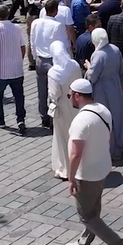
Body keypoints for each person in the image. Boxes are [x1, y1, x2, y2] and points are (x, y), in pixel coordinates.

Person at [64, 78, 123, 245]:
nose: (69, 97)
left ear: (78, 95)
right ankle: (84, 244)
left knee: (87, 216)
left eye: (70, 94)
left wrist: (71, 178)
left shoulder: (80, 120)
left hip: (86, 174)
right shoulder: (103, 110)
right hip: (103, 168)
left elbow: (75, 153)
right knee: (94, 210)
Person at [84, 28, 123, 160]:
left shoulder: (98, 55)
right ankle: (118, 146)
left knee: (105, 119)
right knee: (117, 117)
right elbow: (122, 69)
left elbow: (93, 76)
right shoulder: (115, 49)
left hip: (102, 91)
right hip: (115, 87)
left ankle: (109, 150)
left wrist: (88, 66)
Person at [0, 4, 28, 132]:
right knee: (19, 96)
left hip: (0, 71)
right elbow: (22, 47)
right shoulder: (16, 28)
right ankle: (21, 119)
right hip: (16, 70)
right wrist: (18, 60)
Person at [30, 0, 69, 129]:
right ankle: (54, 117)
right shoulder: (57, 26)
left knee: (41, 90)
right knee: (55, 92)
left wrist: (35, 56)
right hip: (53, 61)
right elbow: (62, 44)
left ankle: (43, 116)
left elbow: (32, 40)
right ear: (56, 11)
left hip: (40, 59)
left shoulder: (36, 22)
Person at [47, 41, 82, 179]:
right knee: (77, 136)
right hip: (76, 103)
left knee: (63, 138)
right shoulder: (74, 65)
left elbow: (54, 94)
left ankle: (66, 169)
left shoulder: (53, 72)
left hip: (61, 107)